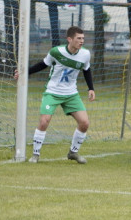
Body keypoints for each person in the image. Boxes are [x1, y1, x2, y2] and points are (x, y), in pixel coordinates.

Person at [15, 25, 95, 164]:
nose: (81, 41)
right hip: (52, 92)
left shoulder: (85, 54)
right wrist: (24, 72)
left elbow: (86, 70)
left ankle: (73, 152)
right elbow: (42, 65)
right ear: (69, 39)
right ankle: (35, 155)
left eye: (83, 38)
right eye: (78, 38)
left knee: (84, 123)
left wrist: (91, 88)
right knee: (44, 121)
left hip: (71, 94)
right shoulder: (56, 52)